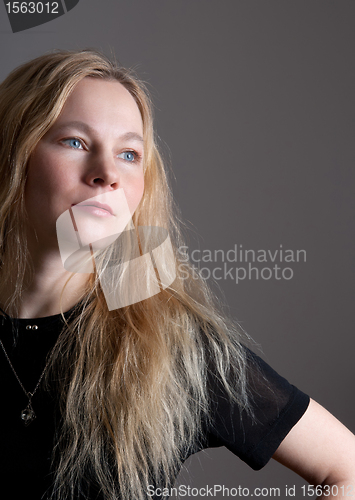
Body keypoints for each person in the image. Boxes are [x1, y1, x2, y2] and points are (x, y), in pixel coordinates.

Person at [0, 50, 353, 500]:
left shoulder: (173, 344)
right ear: (14, 151)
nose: (107, 174)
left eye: (129, 154)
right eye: (76, 142)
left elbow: (347, 469)